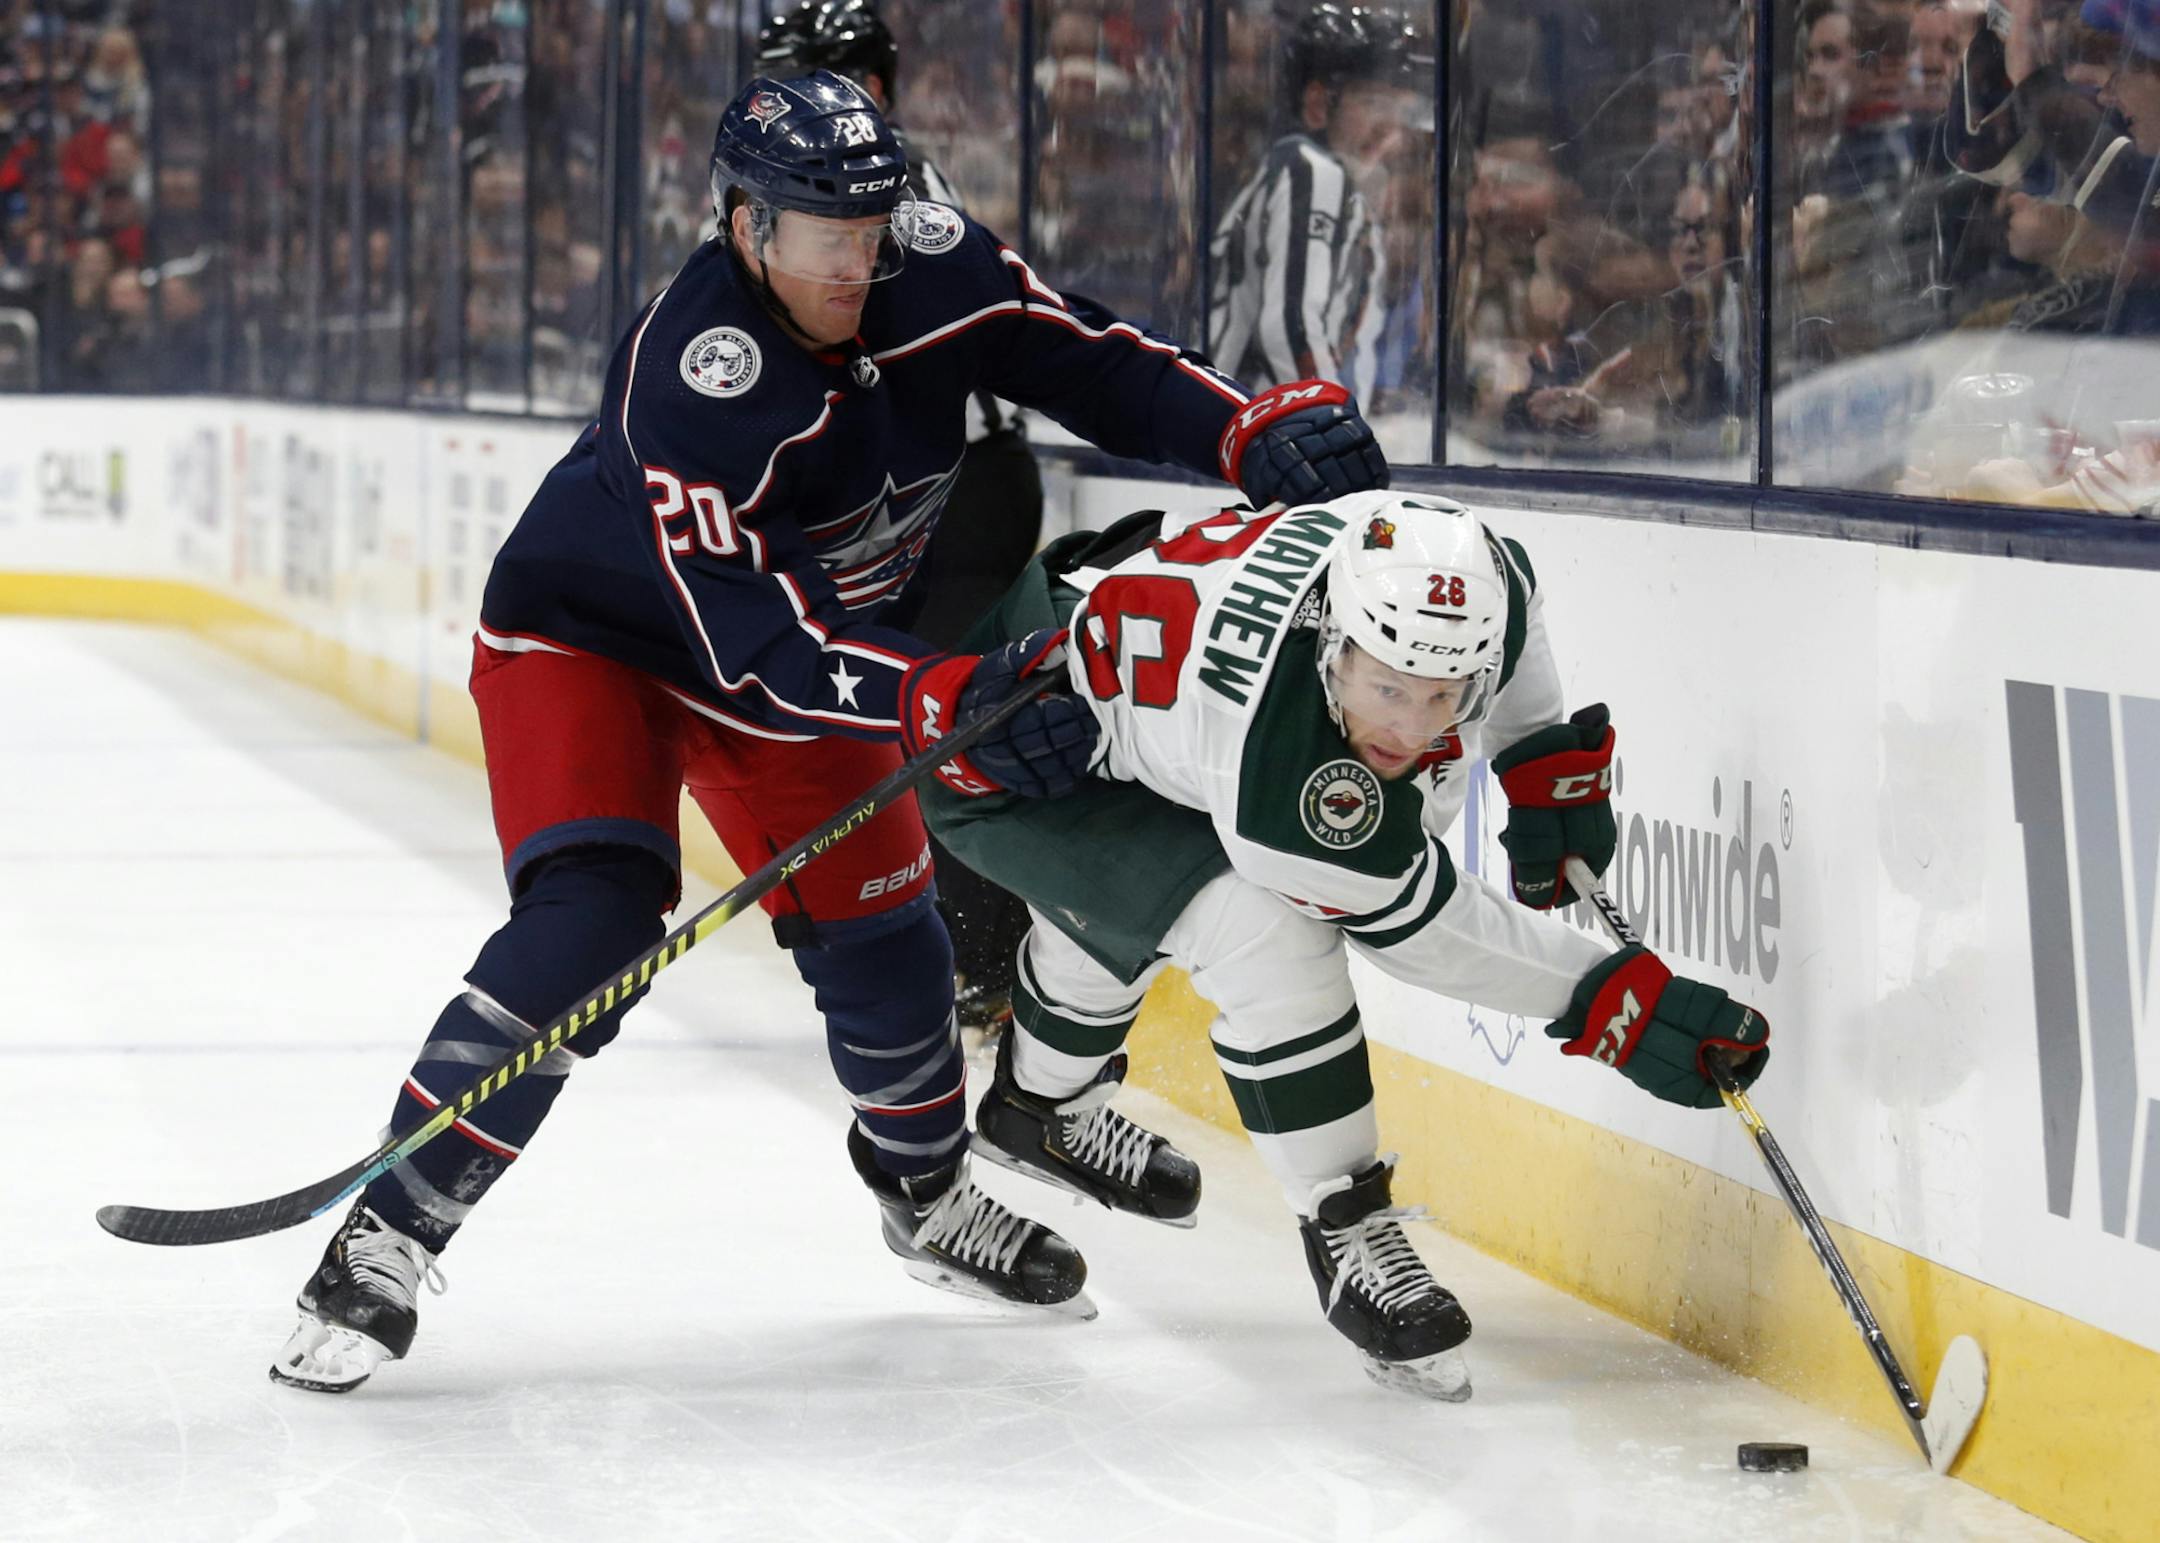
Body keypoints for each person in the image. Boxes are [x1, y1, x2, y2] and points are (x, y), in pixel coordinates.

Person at [269, 69, 1391, 1393]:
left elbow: (1079, 354)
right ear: (747, 226)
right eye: (826, 230)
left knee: (890, 946)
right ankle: (389, 1227)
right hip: (597, 648)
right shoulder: (692, 379)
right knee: (595, 917)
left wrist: (1236, 429)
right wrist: (933, 694)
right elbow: (761, 635)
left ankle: (923, 1194)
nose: (860, 254)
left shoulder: (925, 254)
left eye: (873, 217)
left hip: (804, 663)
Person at [923, 490, 1771, 1401]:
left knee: (1143, 897)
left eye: (1443, 695)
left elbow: (1513, 622)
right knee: (1261, 931)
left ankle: (1038, 1110)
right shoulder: (1282, 778)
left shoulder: (1471, 578)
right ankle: (1345, 1224)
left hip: (1110, 661)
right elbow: (1424, 928)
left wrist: (1545, 769)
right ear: (1333, 639)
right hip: (1013, 741)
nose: (1409, 727)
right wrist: (1610, 1000)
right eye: (1387, 688)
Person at [757, 0, 1042, 1044]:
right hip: (937, 490)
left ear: (867, 86)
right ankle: (978, 965)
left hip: (953, 494)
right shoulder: (839, 185)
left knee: (929, 715)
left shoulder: (877, 195)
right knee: (912, 711)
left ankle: (990, 971)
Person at [1207, 3, 1430, 403]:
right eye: (1374, 102)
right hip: (1262, 436)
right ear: (1317, 103)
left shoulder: (1338, 188)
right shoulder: (1309, 171)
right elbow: (1292, 329)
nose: (1391, 127)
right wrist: (1337, 427)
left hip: (1271, 435)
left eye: (1402, 109)